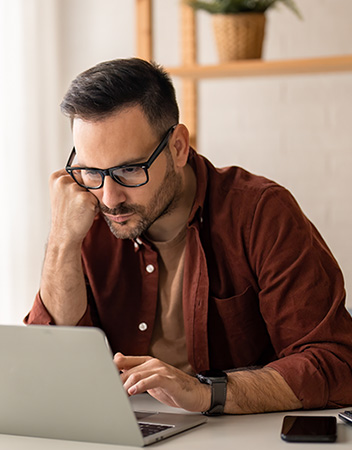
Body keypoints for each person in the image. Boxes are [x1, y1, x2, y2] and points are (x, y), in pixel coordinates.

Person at [25, 57, 352, 415]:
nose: (109, 197)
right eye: (91, 171)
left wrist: (205, 391)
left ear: (178, 147)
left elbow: (335, 363)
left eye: (130, 169)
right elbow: (48, 360)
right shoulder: (85, 212)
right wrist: (62, 240)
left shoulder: (260, 213)